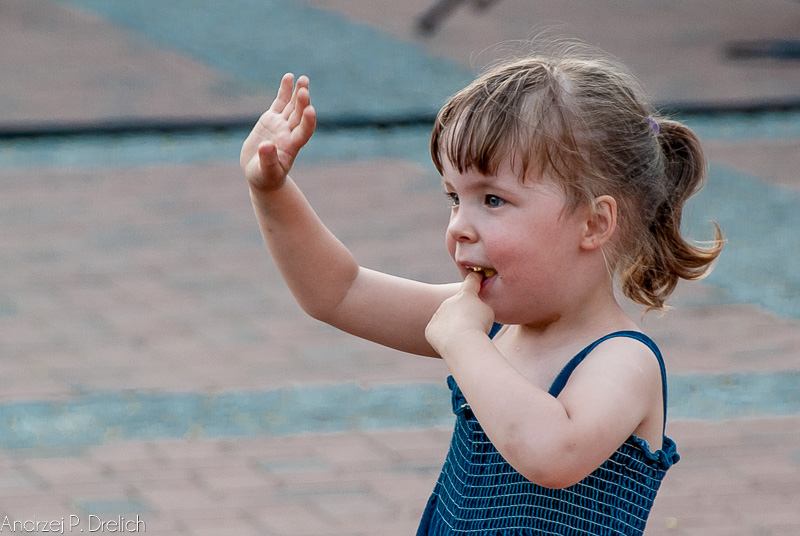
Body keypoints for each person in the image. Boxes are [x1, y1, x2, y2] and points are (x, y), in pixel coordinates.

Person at [240, 43, 723, 535]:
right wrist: (271, 190)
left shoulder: (623, 360)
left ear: (594, 223)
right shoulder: (487, 324)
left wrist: (464, 341)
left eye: (492, 200)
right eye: (455, 198)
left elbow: (552, 455)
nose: (459, 227)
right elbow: (339, 293)